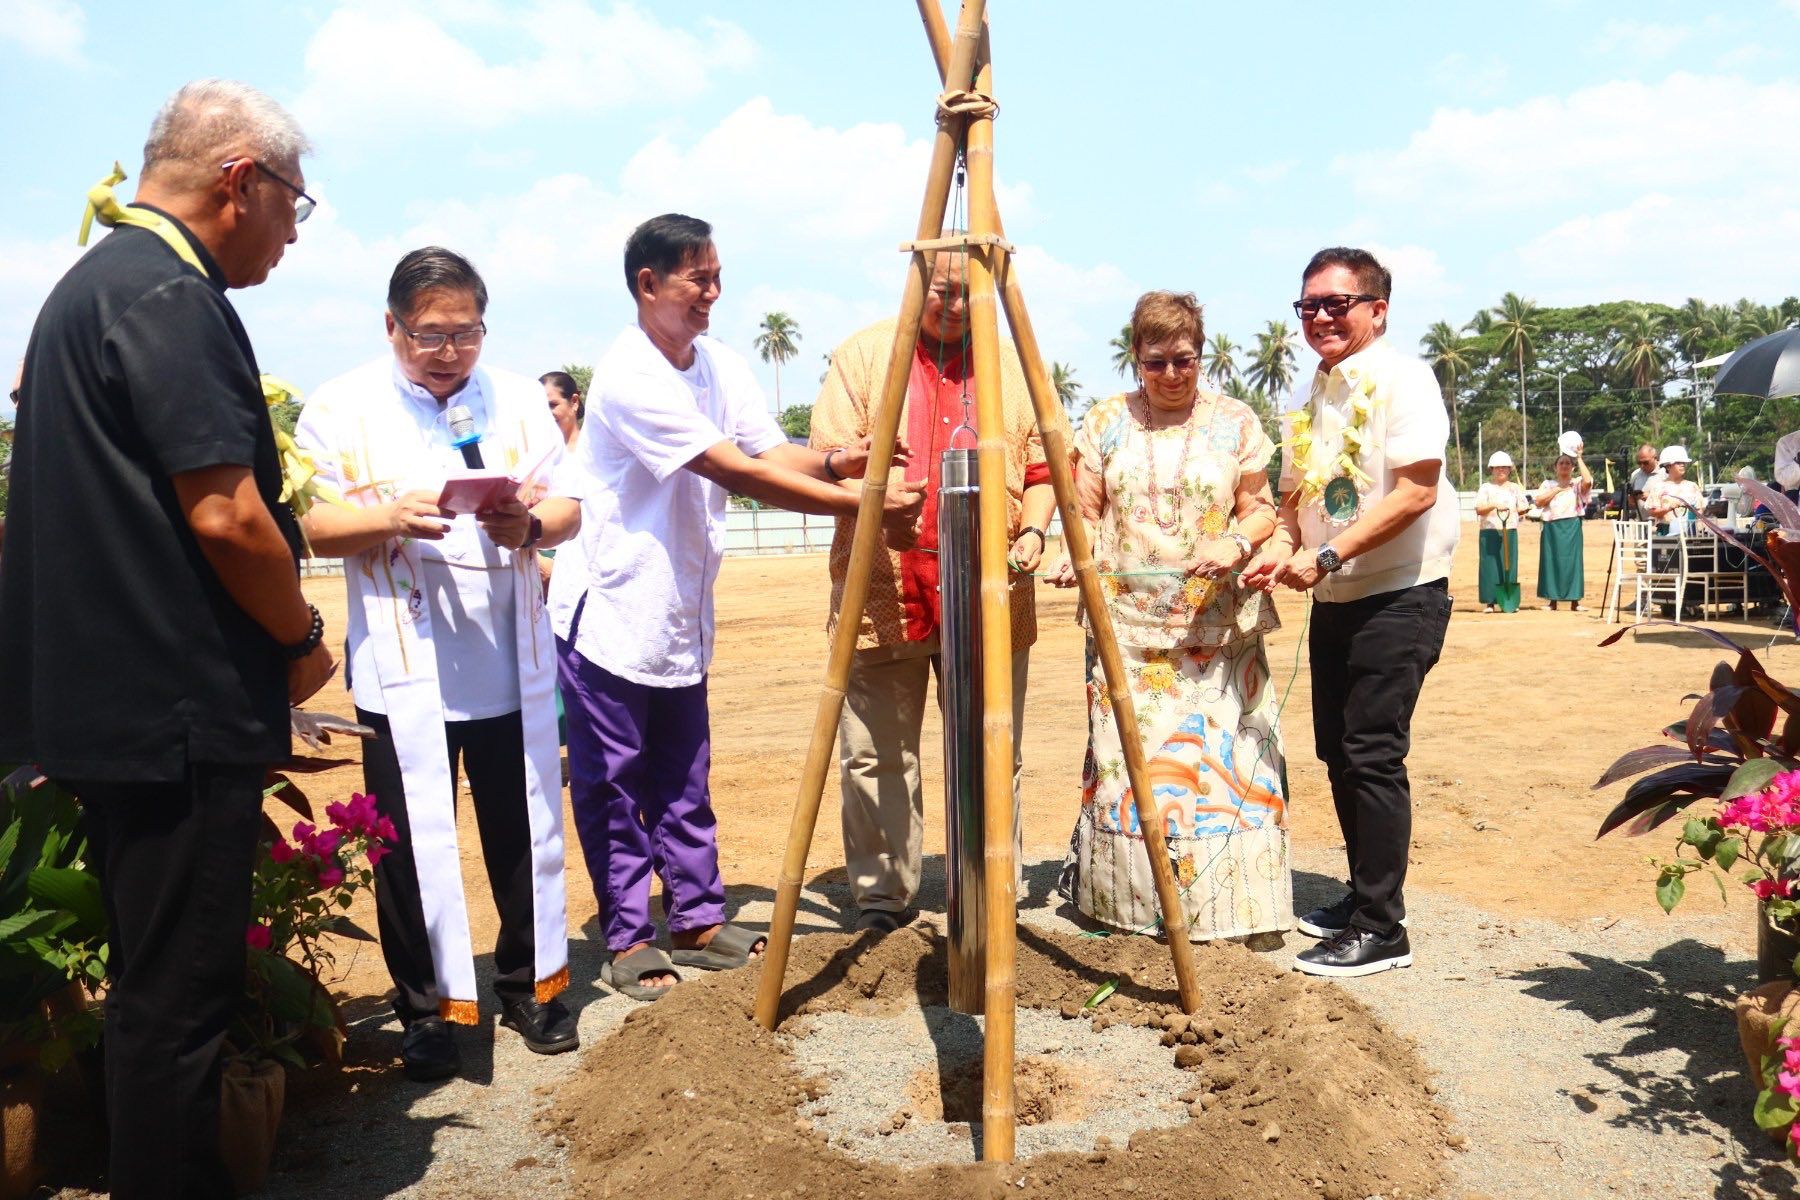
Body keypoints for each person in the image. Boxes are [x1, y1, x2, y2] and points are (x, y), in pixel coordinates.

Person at [0, 80, 334, 1198]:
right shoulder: (171, 298)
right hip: (172, 717)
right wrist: (300, 635)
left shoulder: (95, 287)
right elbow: (228, 515)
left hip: (111, 709)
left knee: (158, 993)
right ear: (241, 181)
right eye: (293, 204)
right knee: (181, 1004)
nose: (293, 233)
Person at [561, 213, 924, 1000]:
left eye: (718, 277)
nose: (713, 292)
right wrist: (862, 503)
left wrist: (837, 461)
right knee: (616, 785)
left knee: (684, 774)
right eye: (698, 278)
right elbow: (736, 472)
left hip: (676, 615)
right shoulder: (630, 374)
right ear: (648, 283)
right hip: (613, 614)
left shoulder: (719, 364)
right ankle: (628, 938)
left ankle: (696, 919)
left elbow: (773, 452)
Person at [295, 247, 582, 1079]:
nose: (451, 352)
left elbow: (570, 504)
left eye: (467, 333)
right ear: (391, 326)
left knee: (523, 833)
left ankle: (529, 986)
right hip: (401, 667)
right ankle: (425, 1010)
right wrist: (389, 516)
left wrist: (530, 526)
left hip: (508, 663)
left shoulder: (520, 399)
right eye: (431, 334)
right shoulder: (340, 407)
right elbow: (312, 525)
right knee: (408, 847)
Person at [809, 243, 1066, 933]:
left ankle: (986, 891)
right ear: (915, 281)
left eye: (965, 291)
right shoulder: (865, 358)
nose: (953, 305)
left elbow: (1044, 471)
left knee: (990, 750)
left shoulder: (1012, 363)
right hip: (885, 590)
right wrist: (875, 494)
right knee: (876, 755)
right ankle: (882, 898)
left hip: (990, 594)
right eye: (940, 289)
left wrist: (1033, 531)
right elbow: (825, 462)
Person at [1242, 246, 1459, 979]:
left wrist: (1328, 555)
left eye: (1336, 304)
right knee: (1338, 751)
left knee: (1372, 754)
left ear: (1377, 309)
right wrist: (1280, 548)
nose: (1320, 318)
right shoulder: (1313, 392)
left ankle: (1382, 929)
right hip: (1334, 597)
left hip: (1397, 594)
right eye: (1308, 306)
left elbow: (1416, 492)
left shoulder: (1404, 379)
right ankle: (1363, 896)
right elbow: (1295, 499)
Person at [1047, 291, 1288, 942]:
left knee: (1224, 769)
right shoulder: (1105, 421)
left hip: (1217, 630)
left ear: (1200, 356)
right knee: (1132, 766)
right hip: (1126, 632)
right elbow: (1084, 512)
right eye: (1156, 363)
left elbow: (1261, 510)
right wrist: (1076, 555)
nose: (1172, 374)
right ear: (1136, 359)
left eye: (1184, 359)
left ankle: (1234, 912)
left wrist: (1234, 543)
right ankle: (1130, 909)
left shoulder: (1235, 422)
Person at [1533, 452, 1593, 611]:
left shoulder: (1577, 483)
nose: (1564, 466)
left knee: (1573, 562)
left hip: (1572, 526)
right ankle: (1552, 601)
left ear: (1573, 467)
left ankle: (1575, 601)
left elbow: (1588, 481)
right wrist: (1558, 489)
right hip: (1551, 527)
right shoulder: (1548, 484)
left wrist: (1579, 458)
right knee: (1551, 561)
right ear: (1555, 467)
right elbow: (1539, 501)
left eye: (1568, 463)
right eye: (1561, 463)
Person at [1474, 451, 1528, 614]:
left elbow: (1522, 508)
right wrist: (1494, 505)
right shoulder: (1486, 488)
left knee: (1509, 565)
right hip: (1489, 531)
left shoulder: (1515, 488)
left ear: (1510, 469)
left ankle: (1508, 600)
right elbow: (1479, 509)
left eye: (1504, 467)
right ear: (1491, 469)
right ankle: (1490, 601)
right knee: (1490, 566)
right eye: (1497, 467)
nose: (1501, 470)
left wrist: (1526, 509)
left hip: (1509, 530)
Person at [1644, 444, 1703, 532]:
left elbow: (1700, 510)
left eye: (1683, 463)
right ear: (1668, 466)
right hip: (1666, 533)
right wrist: (1669, 508)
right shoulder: (1658, 487)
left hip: (1690, 532)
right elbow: (1652, 512)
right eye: (1678, 463)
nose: (1682, 465)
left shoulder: (1692, 486)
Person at [1627, 442, 1662, 520]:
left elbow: (1671, 499)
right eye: (1639, 463)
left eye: (1646, 462)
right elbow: (1631, 503)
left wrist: (1650, 497)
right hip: (1641, 522)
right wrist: (1632, 498)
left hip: (1660, 522)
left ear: (1655, 458)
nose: (1642, 466)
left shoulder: (1664, 473)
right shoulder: (1635, 475)